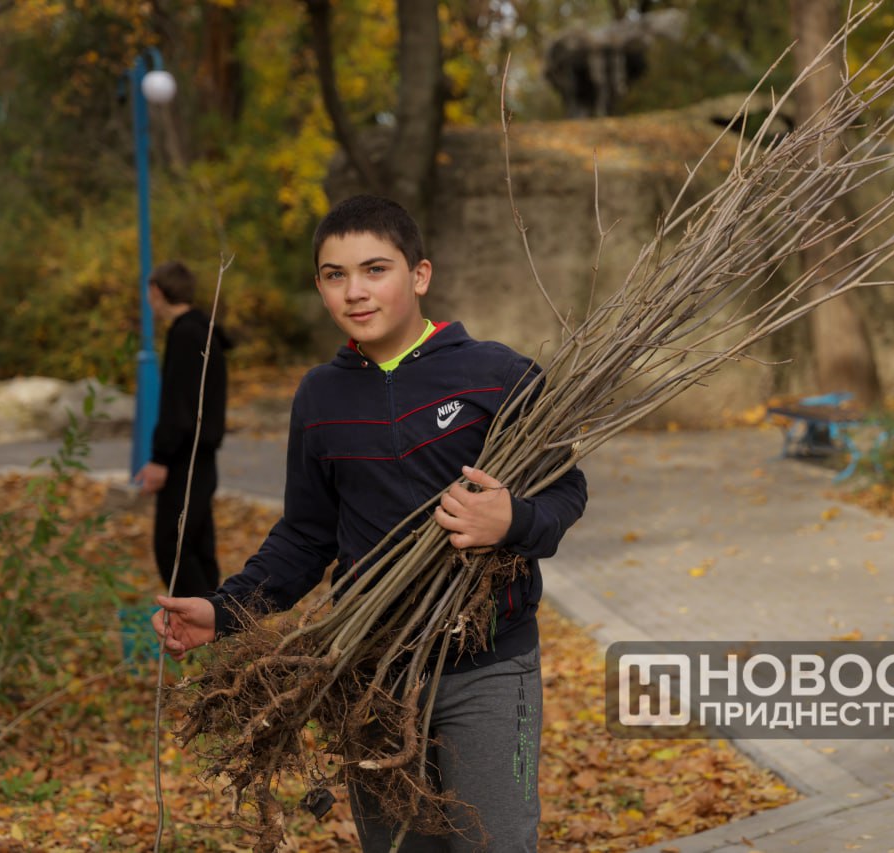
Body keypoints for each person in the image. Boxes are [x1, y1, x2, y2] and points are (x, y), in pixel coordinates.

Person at [153, 195, 587, 851]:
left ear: (420, 274)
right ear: (321, 286)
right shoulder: (320, 396)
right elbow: (306, 536)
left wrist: (513, 519)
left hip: (489, 666)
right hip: (371, 672)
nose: (354, 290)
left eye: (375, 269)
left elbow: (567, 490)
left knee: (495, 842)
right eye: (335, 275)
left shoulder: (497, 374)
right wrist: (224, 610)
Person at [134, 260, 230, 598]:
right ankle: (220, 621)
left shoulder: (186, 334)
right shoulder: (202, 330)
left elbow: (179, 404)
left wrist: (160, 458)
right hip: (200, 457)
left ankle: (204, 620)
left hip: (185, 459)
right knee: (197, 547)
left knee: (171, 548)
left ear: (157, 291)